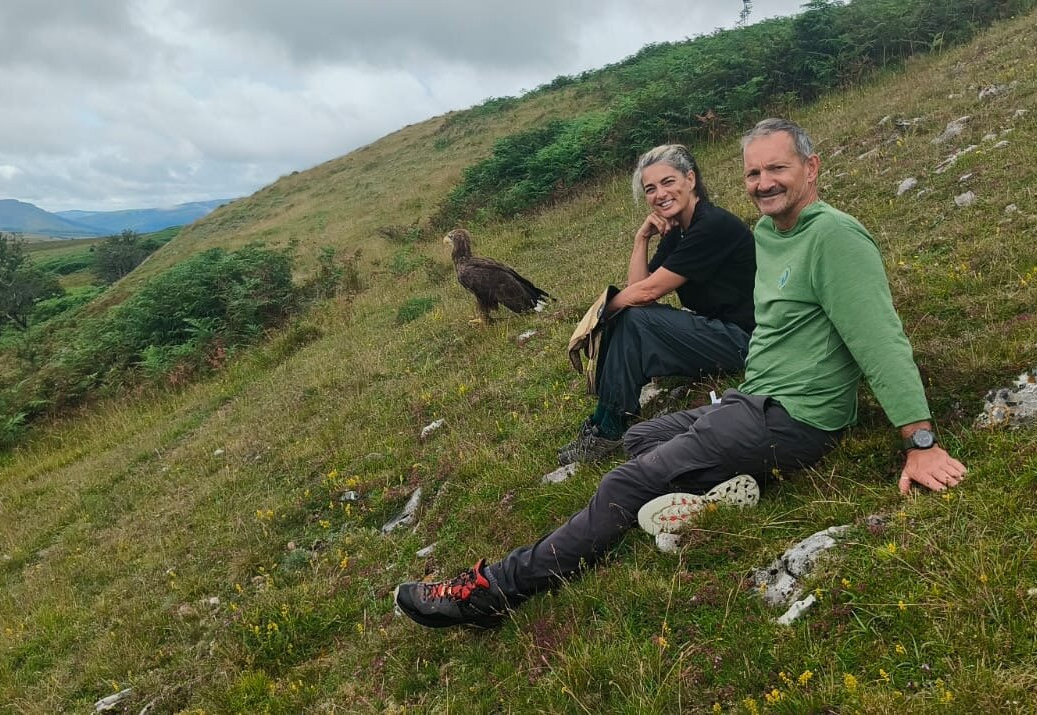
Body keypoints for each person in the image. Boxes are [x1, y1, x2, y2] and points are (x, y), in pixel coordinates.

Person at [393, 118, 968, 629]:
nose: (763, 182)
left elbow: (880, 340)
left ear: (811, 168)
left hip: (792, 418)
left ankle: (493, 591)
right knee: (641, 438)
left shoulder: (834, 237)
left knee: (623, 484)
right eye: (753, 173)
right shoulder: (770, 235)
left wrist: (920, 443)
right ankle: (718, 493)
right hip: (754, 398)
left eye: (778, 168)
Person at [557, 144, 756, 465]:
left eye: (668, 182)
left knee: (631, 317)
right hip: (716, 330)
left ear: (690, 179)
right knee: (630, 315)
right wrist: (642, 239)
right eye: (650, 188)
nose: (660, 194)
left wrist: (599, 314)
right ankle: (604, 421)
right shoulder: (680, 232)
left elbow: (646, 293)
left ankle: (608, 429)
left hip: (744, 340)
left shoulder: (712, 226)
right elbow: (638, 288)